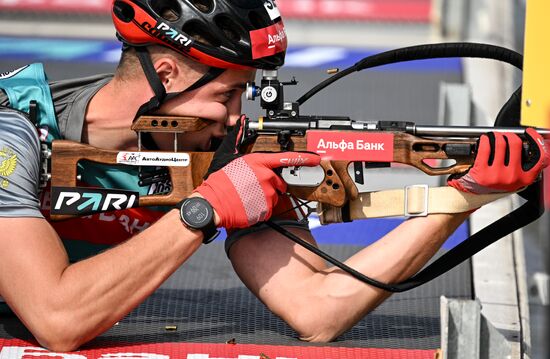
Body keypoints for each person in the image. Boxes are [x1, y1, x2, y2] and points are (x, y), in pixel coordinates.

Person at [0, 0, 547, 352]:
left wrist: (466, 195)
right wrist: (202, 213)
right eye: (226, 94)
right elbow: (59, 319)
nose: (239, 116)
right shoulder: (14, 130)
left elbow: (318, 310)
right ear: (164, 73)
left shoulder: (215, 149)